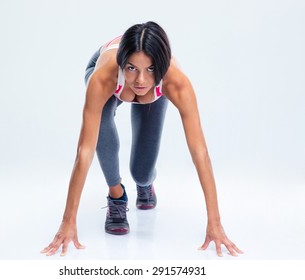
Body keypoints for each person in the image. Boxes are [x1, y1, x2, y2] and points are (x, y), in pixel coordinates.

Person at [41, 21, 243, 257]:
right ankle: (116, 195)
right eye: (131, 68)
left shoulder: (174, 82)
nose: (140, 80)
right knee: (103, 133)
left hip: (154, 93)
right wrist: (68, 221)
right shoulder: (103, 78)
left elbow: (200, 153)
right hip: (103, 70)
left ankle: (145, 185)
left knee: (142, 172)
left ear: (161, 67)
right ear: (122, 65)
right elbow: (84, 152)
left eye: (150, 69)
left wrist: (215, 222)